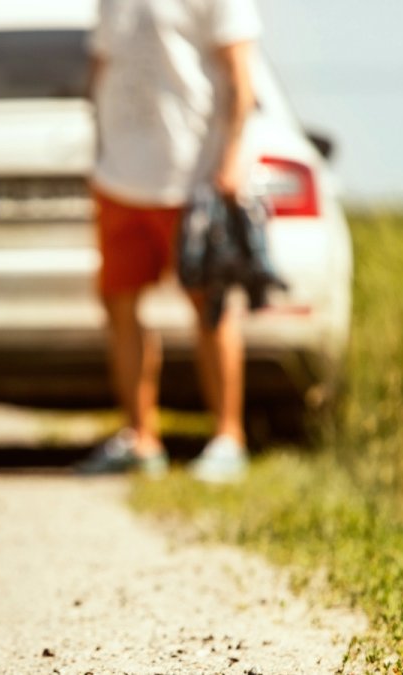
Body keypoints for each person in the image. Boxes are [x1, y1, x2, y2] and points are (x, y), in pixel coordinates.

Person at [76, 0, 261, 482]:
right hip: (119, 178)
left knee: (210, 306)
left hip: (190, 177)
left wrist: (231, 161)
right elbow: (101, 66)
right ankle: (141, 438)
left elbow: (241, 78)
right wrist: (95, 152)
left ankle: (228, 437)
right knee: (119, 304)